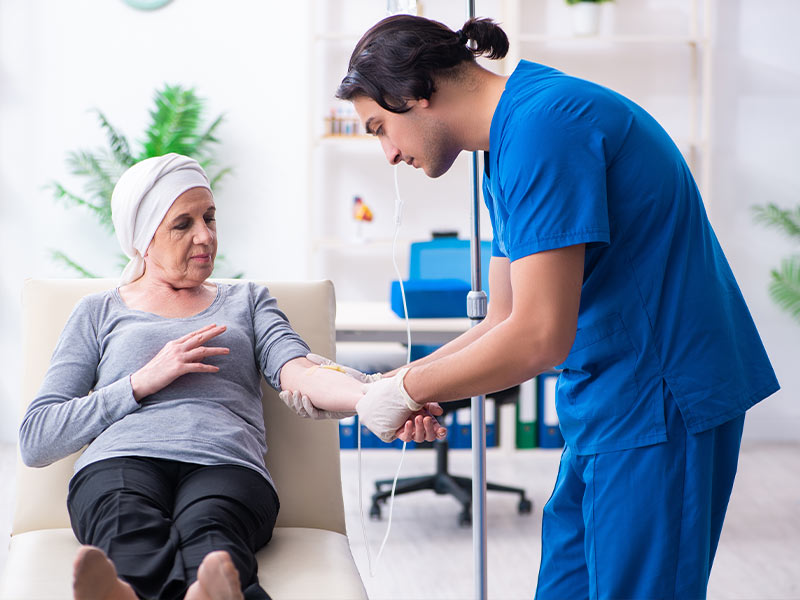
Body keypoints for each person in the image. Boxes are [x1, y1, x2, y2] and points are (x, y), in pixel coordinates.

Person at [326, 14, 780, 600]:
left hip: (661, 397)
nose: (387, 153)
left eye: (379, 127)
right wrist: (398, 383)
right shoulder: (506, 147)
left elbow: (540, 336)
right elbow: (503, 319)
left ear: (414, 94)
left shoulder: (545, 128)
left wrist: (408, 388)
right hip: (607, 399)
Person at [19, 153, 443, 600]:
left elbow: (298, 372)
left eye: (210, 217)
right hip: (120, 461)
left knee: (213, 538)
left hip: (225, 462)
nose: (205, 235)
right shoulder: (97, 311)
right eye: (183, 224)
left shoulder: (248, 300)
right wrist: (141, 381)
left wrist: (375, 397)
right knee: (127, 529)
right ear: (144, 239)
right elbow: (36, 437)